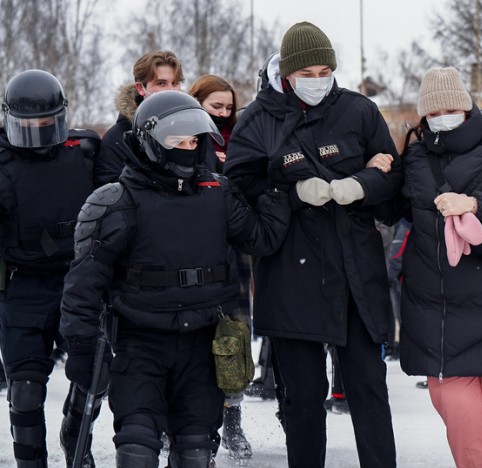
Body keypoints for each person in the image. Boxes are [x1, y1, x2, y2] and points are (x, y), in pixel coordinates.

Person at [59, 91, 290, 467]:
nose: (187, 149)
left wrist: (276, 186)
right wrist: (82, 347)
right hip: (140, 344)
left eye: (194, 141)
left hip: (202, 344)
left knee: (196, 453)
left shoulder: (217, 194)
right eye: (176, 141)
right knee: (136, 449)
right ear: (151, 142)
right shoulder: (116, 201)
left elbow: (261, 238)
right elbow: (84, 283)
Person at [223, 21, 401, 468]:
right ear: (287, 73)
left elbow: (393, 180)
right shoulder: (258, 120)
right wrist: (290, 192)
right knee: (302, 398)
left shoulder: (360, 111)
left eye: (326, 69)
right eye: (308, 72)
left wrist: (361, 186)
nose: (318, 79)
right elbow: (237, 189)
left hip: (354, 272)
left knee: (368, 388)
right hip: (290, 275)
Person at [397, 67, 482, 467]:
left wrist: (474, 204)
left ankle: (475, 444)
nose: (444, 115)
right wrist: (377, 169)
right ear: (424, 117)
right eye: (435, 111)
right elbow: (393, 206)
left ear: (467, 106)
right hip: (437, 306)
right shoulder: (415, 156)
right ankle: (474, 453)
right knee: (457, 408)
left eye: (452, 107)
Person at [0, 70, 100, 467]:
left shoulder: (86, 151)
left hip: (77, 282)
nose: (38, 132)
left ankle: (76, 433)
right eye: (28, 125)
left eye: (45, 123)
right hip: (22, 286)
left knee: (93, 376)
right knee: (25, 389)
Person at [188, 74, 254, 458]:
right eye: (216, 107)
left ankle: (233, 422)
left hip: (233, 255)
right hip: (195, 253)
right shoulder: (186, 142)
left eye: (229, 108)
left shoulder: (240, 141)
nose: (224, 115)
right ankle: (192, 424)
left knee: (233, 339)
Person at [94, 50, 183, 185]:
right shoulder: (117, 138)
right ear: (140, 88)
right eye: (161, 83)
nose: (171, 90)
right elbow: (111, 194)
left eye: (175, 83)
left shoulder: (190, 131)